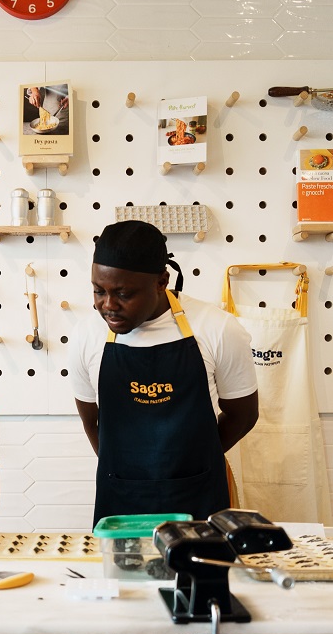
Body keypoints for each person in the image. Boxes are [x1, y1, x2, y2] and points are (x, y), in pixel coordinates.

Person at [68, 220, 259, 526]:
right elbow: (91, 419)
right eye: (98, 291)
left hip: (198, 498)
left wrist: (195, 465)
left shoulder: (218, 328)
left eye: (123, 294)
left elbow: (244, 415)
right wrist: (125, 472)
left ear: (162, 282)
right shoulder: (86, 335)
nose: (108, 305)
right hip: (120, 499)